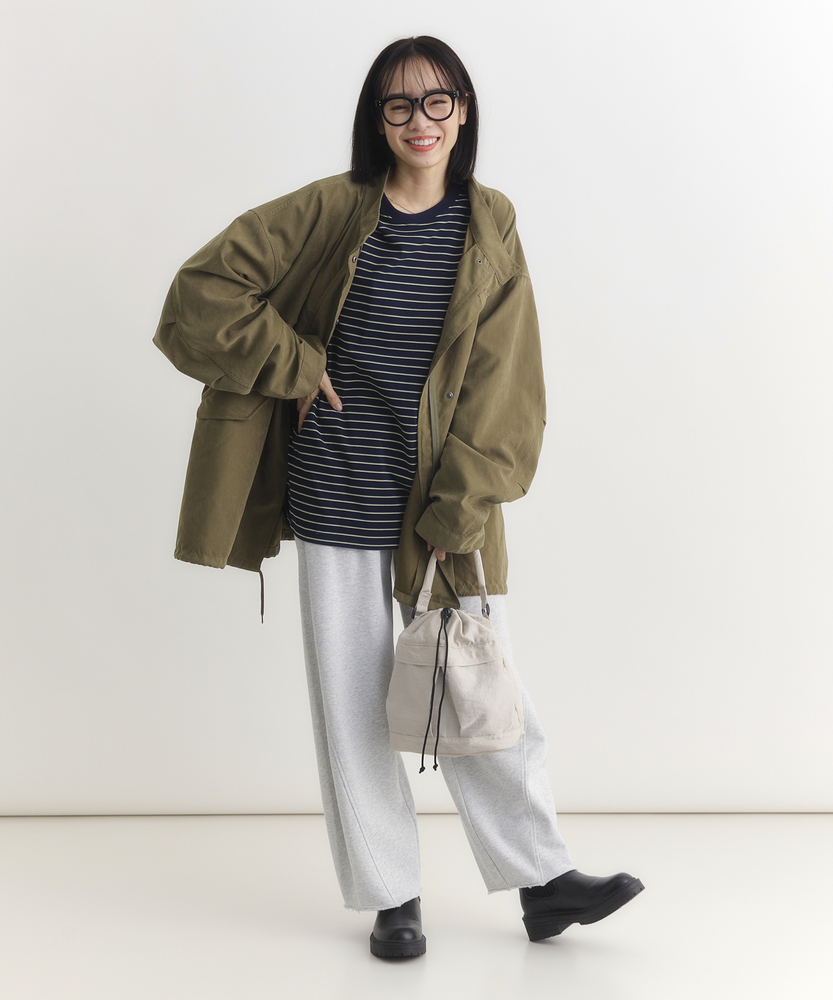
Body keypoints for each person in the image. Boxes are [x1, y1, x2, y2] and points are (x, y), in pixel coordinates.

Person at [153, 35, 644, 959]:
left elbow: (506, 383)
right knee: (353, 705)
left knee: (481, 687)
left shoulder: (490, 222)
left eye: (437, 100)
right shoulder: (331, 209)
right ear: (377, 120)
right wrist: (295, 364)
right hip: (336, 489)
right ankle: (392, 897)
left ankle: (542, 881)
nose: (420, 120)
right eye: (399, 104)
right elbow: (201, 292)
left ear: (463, 111)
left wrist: (462, 505)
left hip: (442, 505)